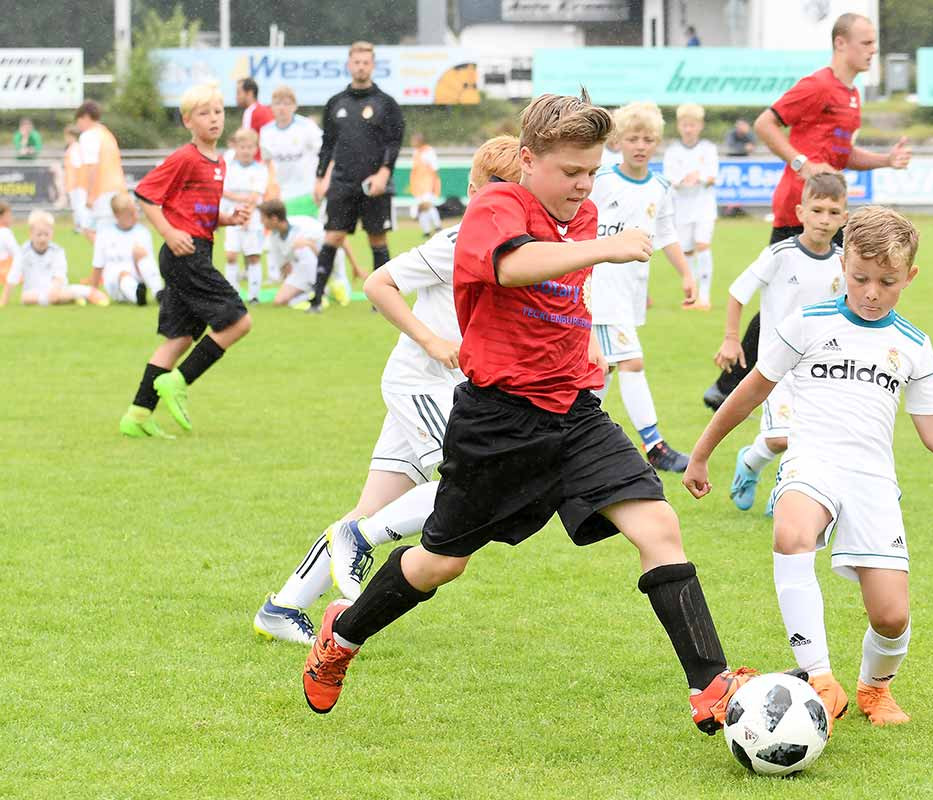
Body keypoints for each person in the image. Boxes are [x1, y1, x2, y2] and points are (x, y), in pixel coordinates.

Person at [300, 91, 756, 736]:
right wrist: (604, 249)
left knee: (658, 529)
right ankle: (341, 638)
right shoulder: (496, 206)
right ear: (527, 158)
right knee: (440, 563)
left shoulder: (586, 211)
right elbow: (511, 267)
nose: (582, 185)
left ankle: (709, 684)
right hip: (498, 424)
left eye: (590, 171)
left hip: (576, 414)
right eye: (569, 171)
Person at [684, 206, 933, 731]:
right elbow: (748, 395)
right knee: (792, 531)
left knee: (891, 616)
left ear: (910, 276)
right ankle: (818, 677)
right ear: (843, 265)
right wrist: (701, 453)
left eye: (887, 281)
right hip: (812, 460)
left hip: (872, 480)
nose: (871, 292)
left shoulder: (913, 345)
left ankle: (873, 688)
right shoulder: (806, 324)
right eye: (860, 278)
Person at [253, 136, 522, 644]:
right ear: (473, 189)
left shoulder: (515, 244)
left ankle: (282, 607)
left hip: (439, 386)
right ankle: (360, 540)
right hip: (424, 382)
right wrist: (432, 340)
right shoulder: (458, 241)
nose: (508, 199)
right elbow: (379, 284)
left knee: (371, 506)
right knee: (469, 483)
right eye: (498, 188)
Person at [702, 12, 911, 411]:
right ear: (840, 44)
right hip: (801, 210)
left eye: (874, 43)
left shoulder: (852, 95)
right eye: (866, 43)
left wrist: (886, 160)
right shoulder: (817, 86)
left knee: (827, 288)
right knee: (787, 296)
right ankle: (732, 384)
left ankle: (822, 370)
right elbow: (766, 124)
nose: (873, 50)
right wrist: (801, 163)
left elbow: (843, 154)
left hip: (831, 208)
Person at [119, 83, 252, 440]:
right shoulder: (185, 157)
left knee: (177, 340)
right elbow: (146, 194)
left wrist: (228, 218)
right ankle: (177, 381)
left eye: (218, 112)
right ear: (187, 121)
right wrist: (168, 232)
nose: (213, 119)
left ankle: (137, 414)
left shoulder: (219, 162)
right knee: (239, 323)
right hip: (185, 253)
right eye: (204, 113)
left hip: (197, 248)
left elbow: (197, 211)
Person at [718, 173, 848, 514]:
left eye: (834, 212)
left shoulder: (844, 263)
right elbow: (737, 292)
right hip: (777, 367)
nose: (824, 220)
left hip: (823, 366)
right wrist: (732, 340)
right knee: (780, 438)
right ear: (800, 212)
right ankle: (750, 463)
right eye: (817, 210)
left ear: (844, 218)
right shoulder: (780, 254)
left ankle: (786, 491)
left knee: (814, 437)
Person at [590, 101, 697, 473]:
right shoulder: (600, 181)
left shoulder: (660, 187)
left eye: (648, 139)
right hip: (599, 289)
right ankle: (654, 445)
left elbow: (665, 233)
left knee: (600, 371)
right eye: (632, 138)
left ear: (657, 143)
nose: (640, 145)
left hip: (629, 291)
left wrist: (686, 273)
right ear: (617, 141)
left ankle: (573, 439)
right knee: (630, 362)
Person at [310, 41, 405, 312]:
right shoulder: (335, 103)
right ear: (349, 65)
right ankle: (316, 299)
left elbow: (394, 142)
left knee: (377, 239)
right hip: (342, 183)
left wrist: (384, 173)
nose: (361, 66)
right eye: (356, 62)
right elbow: (328, 144)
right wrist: (320, 178)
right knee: (332, 237)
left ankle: (381, 303)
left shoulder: (386, 104)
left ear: (372, 66)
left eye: (366, 62)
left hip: (374, 183)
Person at [663, 104, 719, 309]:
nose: (689, 129)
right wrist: (683, 179)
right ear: (679, 126)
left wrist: (699, 177)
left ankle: (705, 296)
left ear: (700, 126)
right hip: (681, 208)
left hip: (704, 206)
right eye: (685, 125)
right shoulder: (672, 151)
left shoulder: (708, 149)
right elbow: (671, 178)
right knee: (686, 251)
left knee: (703, 245)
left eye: (693, 125)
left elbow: (711, 176)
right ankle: (691, 295)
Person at [0, 210, 108, 307]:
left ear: (52, 233)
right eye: (39, 235)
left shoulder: (57, 251)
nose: (42, 238)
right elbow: (13, 276)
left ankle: (83, 294)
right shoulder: (23, 253)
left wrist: (55, 290)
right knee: (25, 298)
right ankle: (69, 298)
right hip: (33, 292)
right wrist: (4, 300)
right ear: (31, 233)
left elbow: (60, 275)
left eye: (46, 234)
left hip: (56, 288)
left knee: (66, 291)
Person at [258, 201, 351, 308]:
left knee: (302, 246)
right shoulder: (273, 237)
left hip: (328, 263)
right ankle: (319, 293)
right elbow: (284, 267)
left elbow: (337, 240)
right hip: (302, 268)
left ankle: (319, 289)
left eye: (263, 218)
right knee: (279, 301)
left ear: (274, 219)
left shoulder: (305, 225)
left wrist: (310, 245)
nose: (261, 222)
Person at [258, 85, 324, 220]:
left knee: (310, 237)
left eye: (286, 104)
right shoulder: (266, 131)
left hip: (308, 192)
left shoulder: (307, 127)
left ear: (294, 106)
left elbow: (325, 154)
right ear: (271, 107)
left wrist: (321, 183)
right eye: (277, 104)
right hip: (281, 196)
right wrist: (269, 190)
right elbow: (267, 164)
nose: (282, 108)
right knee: (284, 238)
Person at [221, 129, 270, 304]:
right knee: (231, 255)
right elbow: (223, 191)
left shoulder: (260, 170)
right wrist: (240, 202)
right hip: (230, 216)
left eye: (250, 147)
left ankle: (254, 295)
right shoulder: (229, 168)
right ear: (236, 147)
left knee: (253, 255)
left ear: (256, 148)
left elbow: (256, 195)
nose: (246, 151)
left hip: (253, 217)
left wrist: (246, 214)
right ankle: (232, 294)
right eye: (242, 147)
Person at [89, 194, 163, 305]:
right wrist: (92, 292)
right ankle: (137, 297)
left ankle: (159, 293)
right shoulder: (104, 234)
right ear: (117, 215)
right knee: (123, 275)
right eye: (130, 214)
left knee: (141, 253)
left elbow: (150, 265)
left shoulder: (143, 232)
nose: (135, 216)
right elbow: (98, 265)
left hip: (138, 276)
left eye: (135, 212)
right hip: (115, 280)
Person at [75, 100, 127, 236]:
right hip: (117, 189)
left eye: (78, 120)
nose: (78, 125)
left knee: (92, 231)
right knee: (106, 232)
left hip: (101, 193)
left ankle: (110, 257)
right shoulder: (106, 134)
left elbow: (92, 167)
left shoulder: (88, 136)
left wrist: (90, 196)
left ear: (86, 117)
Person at [408, 132, 442, 237]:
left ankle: (437, 226)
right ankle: (426, 230)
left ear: (419, 141)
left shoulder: (429, 151)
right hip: (418, 185)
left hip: (427, 183)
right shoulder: (416, 152)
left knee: (427, 205)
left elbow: (435, 169)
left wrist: (434, 185)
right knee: (421, 208)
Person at [236, 78, 275, 159]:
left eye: (239, 93)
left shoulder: (251, 111)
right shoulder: (265, 110)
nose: (237, 97)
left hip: (258, 162)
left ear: (249, 93)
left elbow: (245, 140)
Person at [63, 126, 88, 235]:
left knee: (79, 205)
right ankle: (79, 226)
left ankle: (82, 226)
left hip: (77, 183)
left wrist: (76, 182)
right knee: (77, 206)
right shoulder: (74, 148)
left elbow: (77, 166)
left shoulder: (75, 148)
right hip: (75, 183)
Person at [0, 202, 18, 287]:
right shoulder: (5, 232)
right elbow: (17, 254)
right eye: (9, 216)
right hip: (4, 270)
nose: (11, 219)